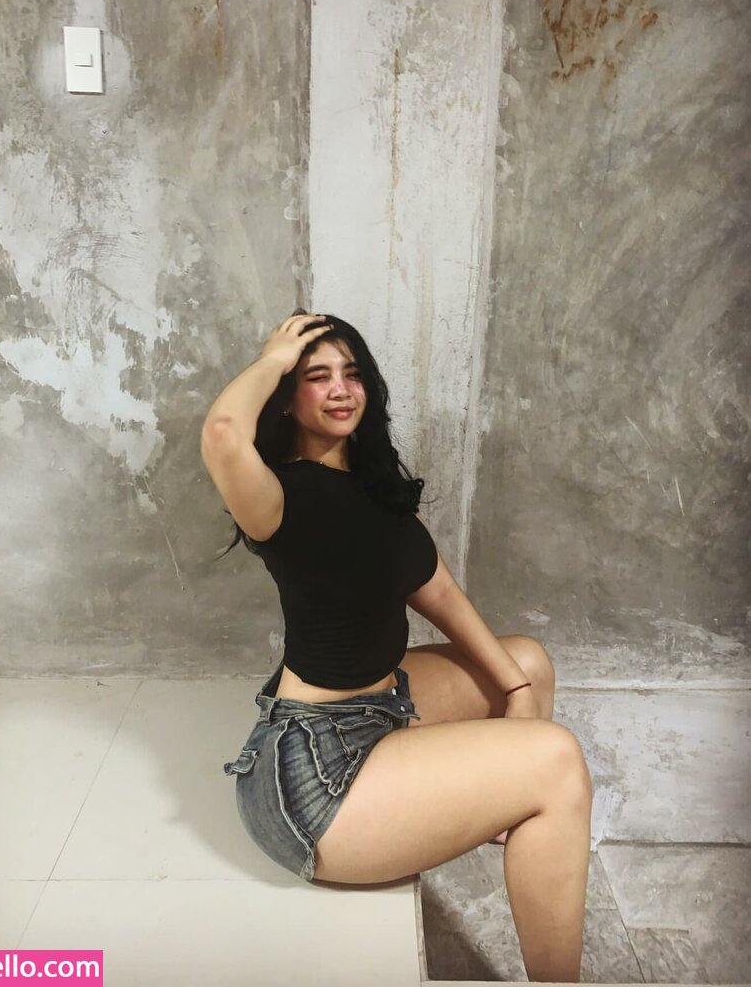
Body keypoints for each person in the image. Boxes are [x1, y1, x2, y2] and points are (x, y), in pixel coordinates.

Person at [201, 310, 592, 983]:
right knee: (556, 761)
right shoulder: (277, 496)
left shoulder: (371, 487)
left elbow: (437, 590)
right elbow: (222, 433)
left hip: (381, 710)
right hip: (312, 780)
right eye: (317, 377)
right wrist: (274, 358)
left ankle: (507, 812)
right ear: (287, 397)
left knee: (528, 661)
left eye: (351, 373)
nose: (340, 389)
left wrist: (517, 689)